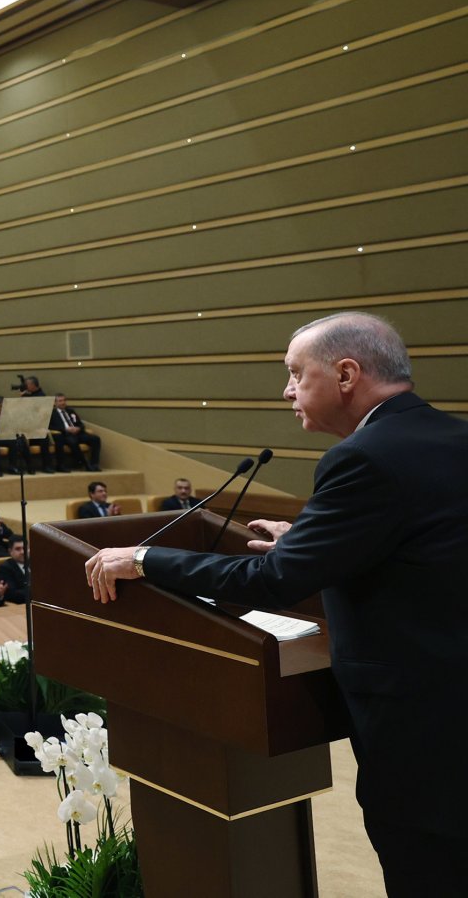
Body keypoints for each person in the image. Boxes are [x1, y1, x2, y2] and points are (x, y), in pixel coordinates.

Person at [85, 312, 468, 893]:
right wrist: (316, 543)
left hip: (422, 734)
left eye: (295, 373)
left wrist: (144, 559)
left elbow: (271, 581)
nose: (287, 391)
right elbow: (427, 551)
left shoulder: (361, 459)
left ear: (345, 373)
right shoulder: (451, 436)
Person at [49, 394, 101, 471]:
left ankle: (94, 464)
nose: (63, 403)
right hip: (65, 435)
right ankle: (85, 464)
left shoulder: (70, 411)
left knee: (95, 439)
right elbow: (51, 427)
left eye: (64, 400)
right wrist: (66, 429)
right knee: (73, 442)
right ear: (55, 403)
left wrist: (78, 428)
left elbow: (80, 424)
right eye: (60, 401)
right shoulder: (52, 414)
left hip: (78, 433)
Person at [0, 539, 30, 604]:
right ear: (10, 551)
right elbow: (12, 594)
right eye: (18, 549)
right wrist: (38, 592)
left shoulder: (36, 562)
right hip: (22, 605)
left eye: (25, 548)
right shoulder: (5, 568)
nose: (22, 552)